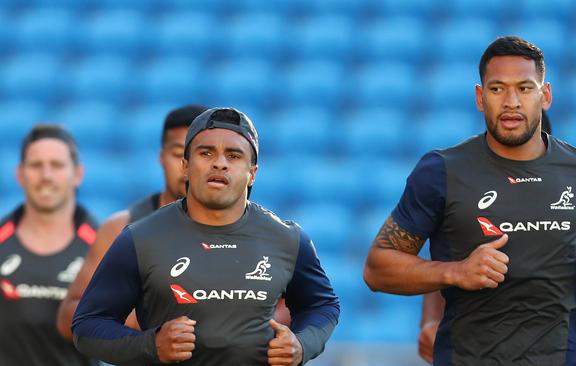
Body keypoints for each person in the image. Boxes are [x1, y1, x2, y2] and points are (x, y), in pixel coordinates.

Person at [363, 36, 576, 365]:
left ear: (545, 96)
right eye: (497, 88)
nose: (511, 101)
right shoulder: (441, 170)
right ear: (479, 97)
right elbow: (377, 268)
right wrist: (456, 272)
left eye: (525, 88)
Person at [72, 107, 339, 365]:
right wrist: (150, 345)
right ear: (186, 167)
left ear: (252, 174)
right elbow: (87, 327)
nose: (220, 163)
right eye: (206, 153)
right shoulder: (141, 238)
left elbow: (322, 305)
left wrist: (302, 345)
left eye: (234, 155)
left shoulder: (287, 239)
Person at [416, 111, 576, 365]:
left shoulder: (575, 210)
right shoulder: (472, 209)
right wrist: (431, 322)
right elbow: (445, 263)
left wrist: (544, 283)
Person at [57, 104, 209, 340]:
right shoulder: (121, 228)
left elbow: (282, 305)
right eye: (179, 153)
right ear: (162, 158)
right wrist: (127, 319)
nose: (186, 167)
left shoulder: (251, 230)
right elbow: (69, 317)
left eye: (201, 154)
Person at [0, 124, 98, 365]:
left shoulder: (102, 247)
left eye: (57, 165)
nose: (46, 176)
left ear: (78, 174)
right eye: (36, 165)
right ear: (20, 174)